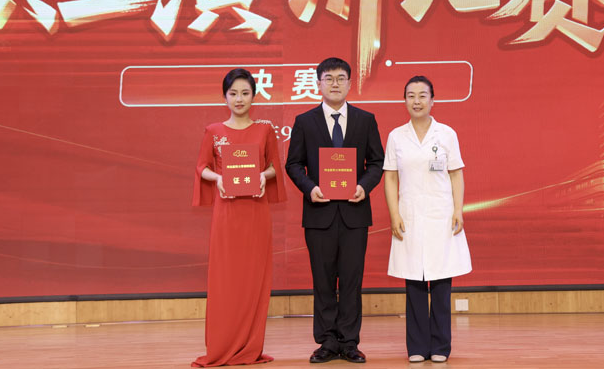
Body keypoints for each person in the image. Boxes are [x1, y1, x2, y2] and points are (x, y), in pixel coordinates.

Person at [285, 57, 384, 364]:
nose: (335, 83)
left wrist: (364, 186)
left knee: (352, 281)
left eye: (341, 78)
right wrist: (309, 188)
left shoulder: (365, 120)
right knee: (323, 280)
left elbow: (377, 162)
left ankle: (350, 342)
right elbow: (293, 164)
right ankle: (327, 341)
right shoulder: (305, 121)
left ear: (350, 83)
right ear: (319, 84)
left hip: (355, 213)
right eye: (328, 78)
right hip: (319, 215)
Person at [192, 68, 286, 367]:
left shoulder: (265, 130)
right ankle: (223, 345)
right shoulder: (213, 131)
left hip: (256, 214)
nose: (239, 99)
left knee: (254, 280)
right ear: (224, 97)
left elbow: (274, 166)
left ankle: (249, 346)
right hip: (227, 214)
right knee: (226, 280)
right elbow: (202, 167)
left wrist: (262, 175)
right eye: (233, 93)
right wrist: (218, 178)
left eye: (245, 93)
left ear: (254, 96)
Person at [382, 76, 471, 364]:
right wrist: (394, 213)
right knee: (414, 283)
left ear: (433, 100)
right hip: (409, 216)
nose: (417, 101)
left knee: (442, 282)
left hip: (440, 216)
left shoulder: (446, 134)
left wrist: (458, 210)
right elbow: (390, 177)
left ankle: (441, 346)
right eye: (411, 96)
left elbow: (456, 174)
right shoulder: (396, 136)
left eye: (422, 95)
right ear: (404, 100)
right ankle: (417, 346)